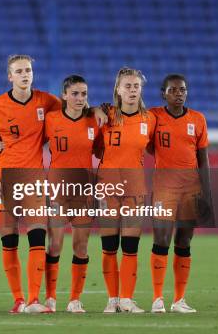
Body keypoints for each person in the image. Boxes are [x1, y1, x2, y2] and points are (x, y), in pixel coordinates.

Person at [0, 54, 62, 314]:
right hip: (4, 179)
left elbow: (74, 108)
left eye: (28, 70)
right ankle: (18, 300)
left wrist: (94, 110)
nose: (25, 75)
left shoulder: (46, 101)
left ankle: (34, 300)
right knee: (9, 240)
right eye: (19, 71)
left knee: (38, 235)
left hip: (34, 181)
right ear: (10, 76)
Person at [95, 67, 156, 314]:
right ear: (118, 90)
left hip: (135, 188)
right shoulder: (105, 115)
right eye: (127, 86)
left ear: (141, 90)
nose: (132, 90)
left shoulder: (150, 119)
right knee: (109, 245)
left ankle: (127, 299)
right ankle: (112, 300)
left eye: (136, 86)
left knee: (131, 245)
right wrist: (94, 108)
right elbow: (94, 145)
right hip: (108, 186)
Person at [149, 74, 210, 314]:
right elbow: (147, 144)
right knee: (161, 240)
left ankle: (179, 300)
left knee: (184, 242)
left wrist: (206, 193)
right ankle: (157, 299)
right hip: (164, 188)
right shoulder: (154, 117)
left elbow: (203, 159)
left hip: (191, 189)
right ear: (163, 93)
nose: (179, 94)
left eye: (182, 90)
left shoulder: (197, 119)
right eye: (173, 90)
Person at [43, 75, 99, 313]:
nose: (79, 98)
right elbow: (29, 141)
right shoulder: (51, 119)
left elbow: (105, 152)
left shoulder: (94, 122)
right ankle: (51, 297)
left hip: (83, 193)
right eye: (75, 93)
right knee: (55, 244)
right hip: (57, 192)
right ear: (64, 95)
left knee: (81, 246)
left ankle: (75, 299)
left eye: (84, 94)